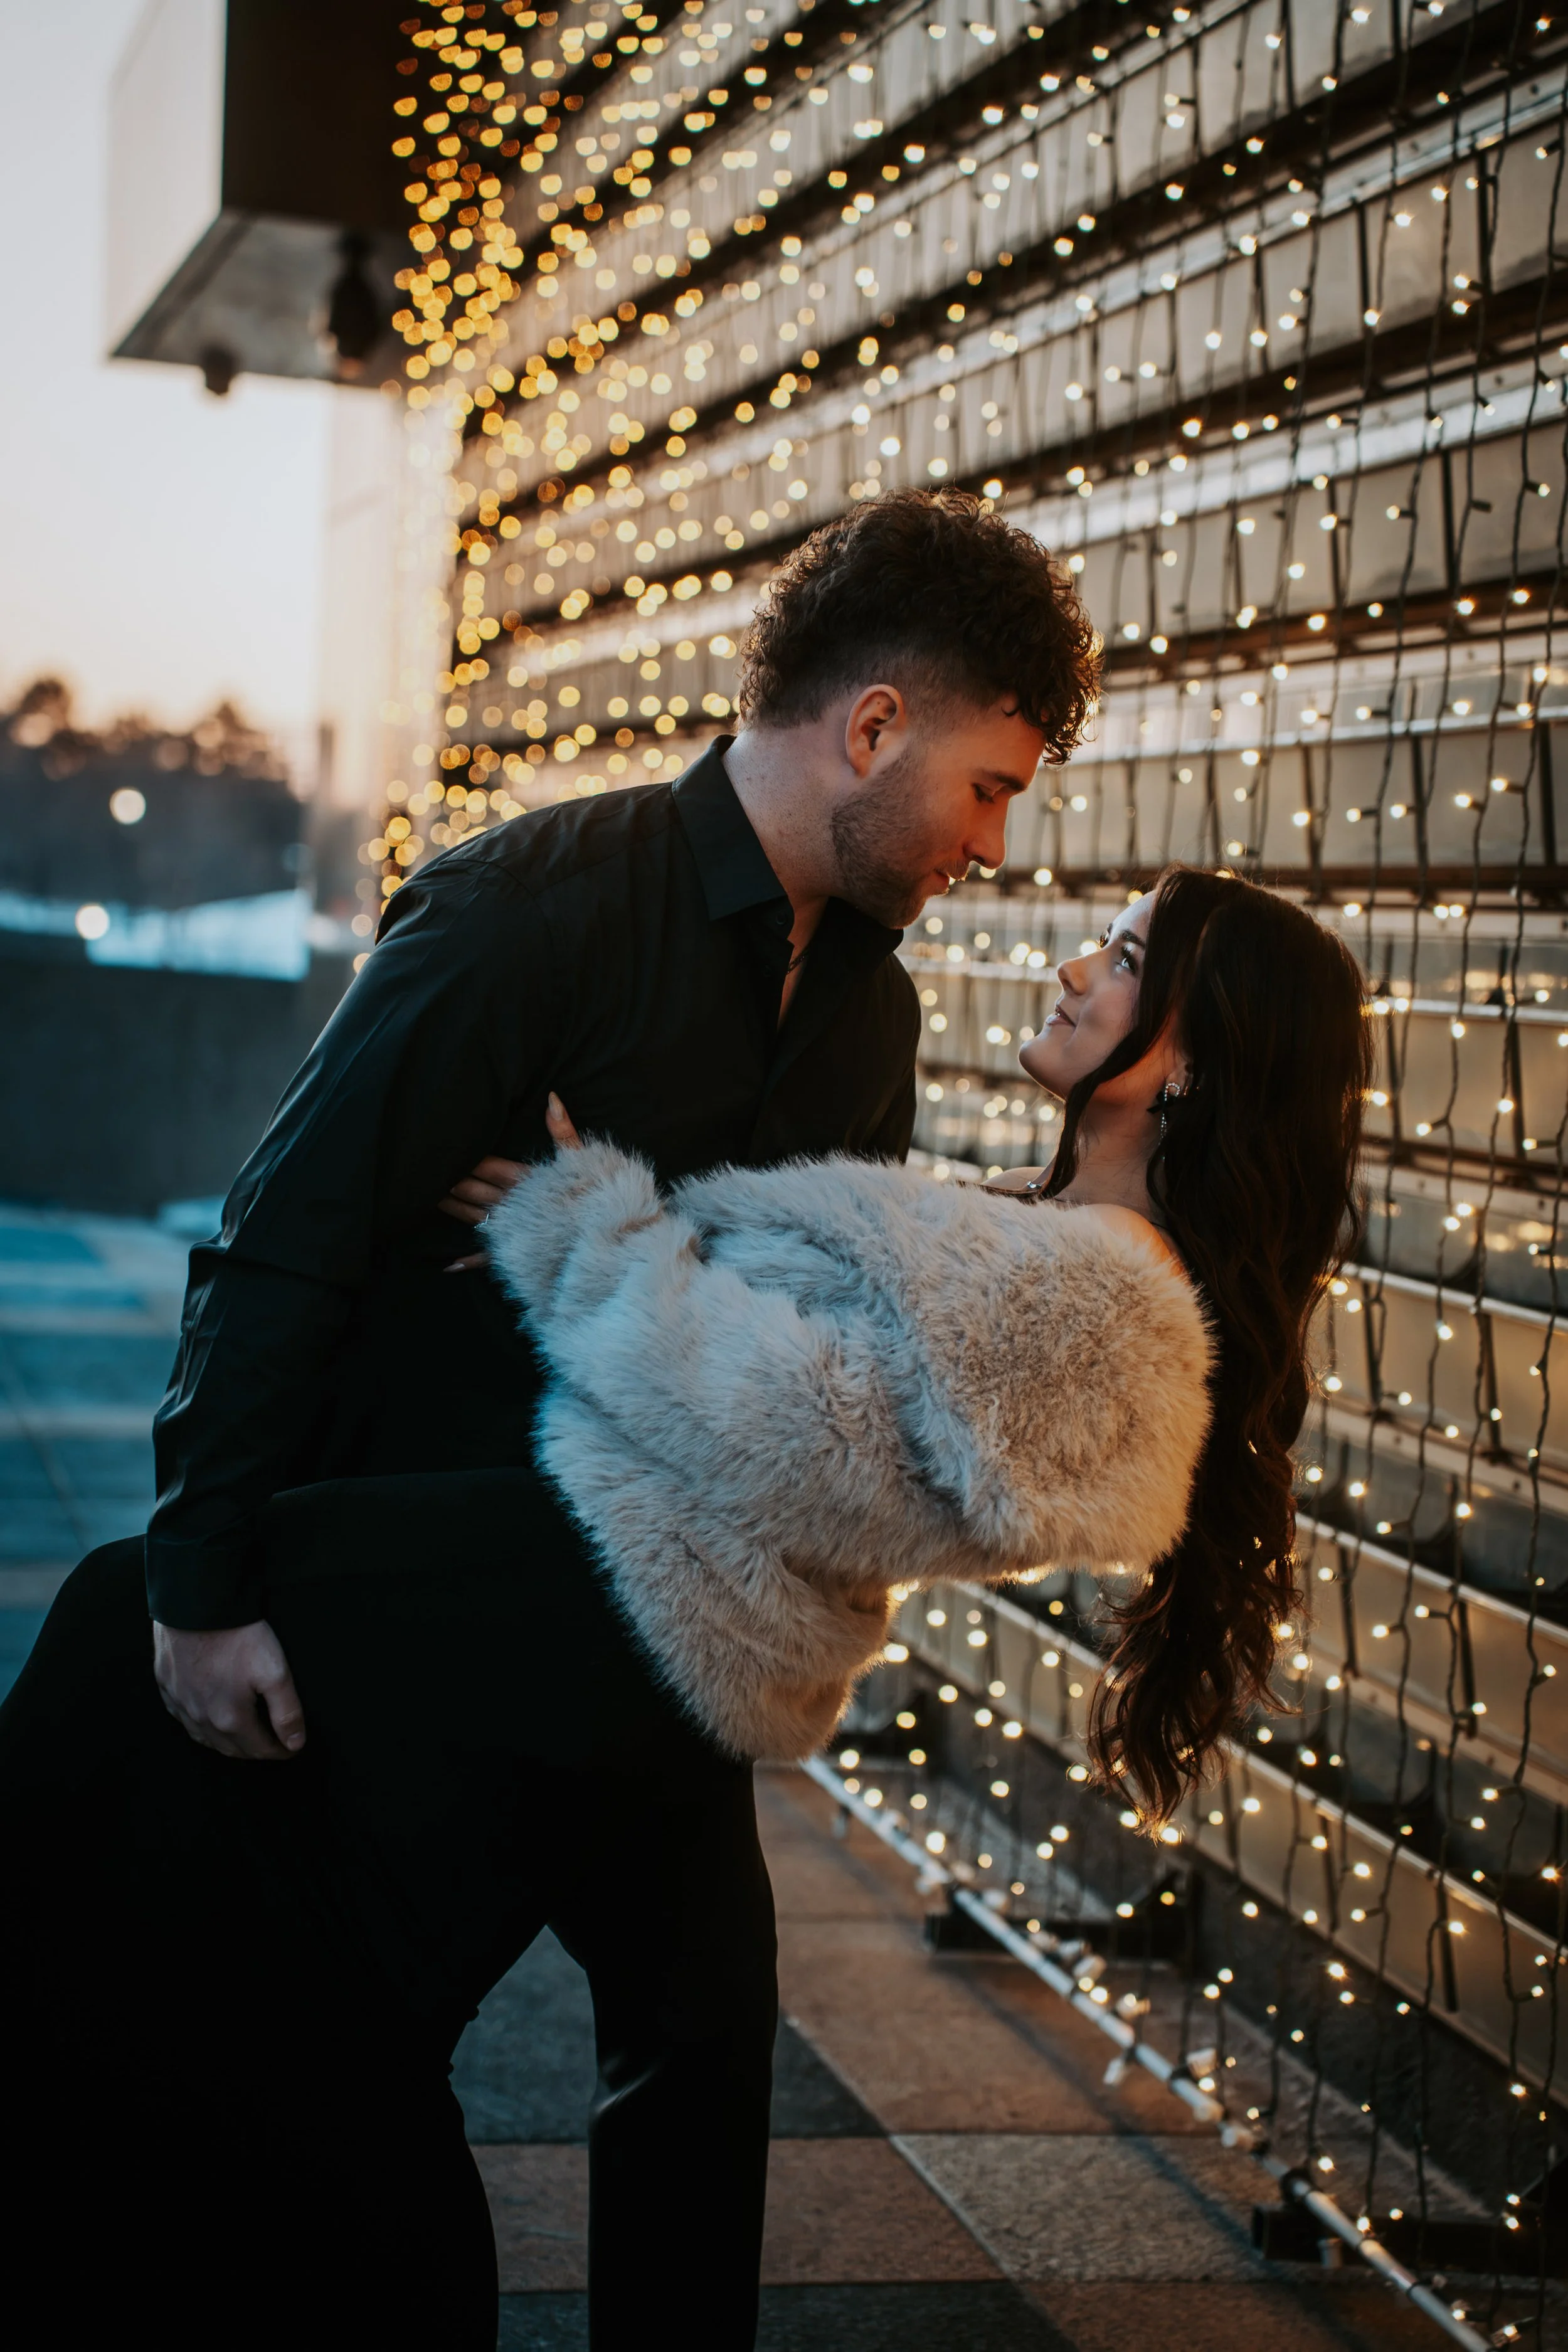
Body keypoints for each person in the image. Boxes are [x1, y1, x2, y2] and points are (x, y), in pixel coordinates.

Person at [0, 488, 1105, 2349]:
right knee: (351, 2064)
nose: (995, 842)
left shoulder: (866, 1010)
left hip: (641, 1617)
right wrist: (198, 1586)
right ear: (873, 725)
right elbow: (284, 1238)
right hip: (409, 1613)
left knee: (703, 2026)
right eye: (991, 784)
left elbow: (797, 1319)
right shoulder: (525, 909)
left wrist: (625, 1234)